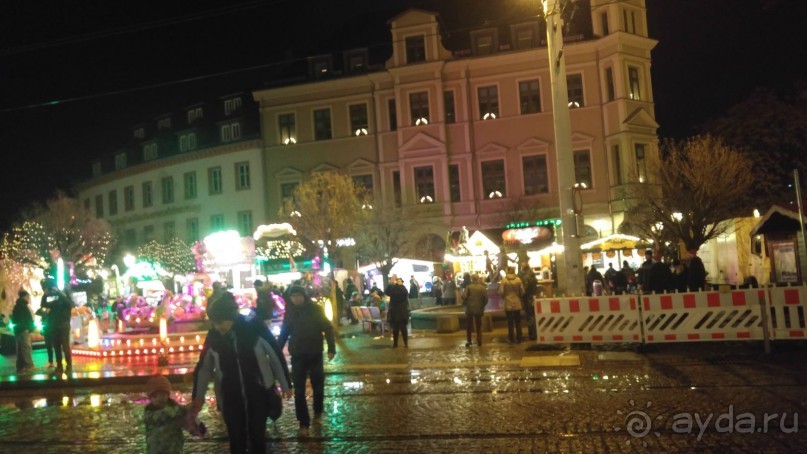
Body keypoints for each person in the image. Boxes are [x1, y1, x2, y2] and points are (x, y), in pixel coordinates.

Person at [189, 296, 291, 453]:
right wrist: (198, 396)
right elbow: (204, 368)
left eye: (221, 322)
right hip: (229, 396)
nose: (218, 326)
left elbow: (275, 355)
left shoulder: (254, 329)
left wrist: (285, 384)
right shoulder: (214, 337)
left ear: (232, 317)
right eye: (215, 322)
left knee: (257, 436)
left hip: (258, 392)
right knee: (235, 438)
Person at [278, 285, 336, 438]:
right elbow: (284, 332)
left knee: (318, 387)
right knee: (299, 391)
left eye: (298, 295)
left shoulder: (315, 309)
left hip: (315, 353)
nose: (296, 298)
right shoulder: (290, 313)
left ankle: (318, 412)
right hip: (298, 355)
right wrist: (276, 350)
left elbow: (327, 328)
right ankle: (303, 423)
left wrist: (331, 348)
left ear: (303, 295)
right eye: (293, 296)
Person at [144, 375, 199, 454]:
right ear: (150, 398)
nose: (160, 398)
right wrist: (183, 410)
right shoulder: (149, 412)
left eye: (163, 394)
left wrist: (193, 427)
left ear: (167, 395)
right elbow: (162, 416)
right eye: (155, 396)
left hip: (174, 448)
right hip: (157, 450)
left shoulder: (175, 409)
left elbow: (183, 421)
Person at [41, 284, 74, 375]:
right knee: (57, 347)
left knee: (65, 346)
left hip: (63, 327)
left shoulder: (67, 303)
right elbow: (43, 304)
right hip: (55, 326)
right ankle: (59, 366)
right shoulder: (56, 303)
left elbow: (67, 302)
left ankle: (68, 366)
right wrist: (45, 294)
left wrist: (59, 293)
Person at [499, 266, 524, 344]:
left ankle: (511, 338)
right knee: (518, 321)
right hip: (517, 302)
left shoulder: (504, 281)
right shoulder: (518, 280)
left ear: (507, 271)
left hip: (508, 302)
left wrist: (504, 297)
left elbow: (501, 292)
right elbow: (522, 291)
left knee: (510, 322)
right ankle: (519, 338)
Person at [11, 290, 35, 372]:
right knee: (26, 348)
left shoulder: (17, 306)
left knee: (21, 349)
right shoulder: (22, 306)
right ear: (24, 297)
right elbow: (26, 319)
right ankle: (29, 366)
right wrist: (28, 328)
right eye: (27, 297)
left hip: (18, 330)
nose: (28, 299)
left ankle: (20, 367)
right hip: (23, 330)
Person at [463, 274, 488, 347]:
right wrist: (482, 305)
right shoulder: (483, 288)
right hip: (479, 308)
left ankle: (469, 340)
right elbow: (486, 299)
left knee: (469, 325)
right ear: (478, 279)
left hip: (470, 308)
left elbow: (464, 296)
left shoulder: (468, 287)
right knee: (479, 325)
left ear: (472, 279)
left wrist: (466, 299)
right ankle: (479, 340)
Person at [385, 275, 410, 348]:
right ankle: (406, 344)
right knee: (403, 329)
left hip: (394, 313)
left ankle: (395, 344)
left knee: (395, 329)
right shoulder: (404, 289)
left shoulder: (393, 289)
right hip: (402, 313)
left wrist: (391, 283)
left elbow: (386, 292)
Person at [519, 264, 538, 341]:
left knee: (529, 316)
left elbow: (524, 290)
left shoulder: (526, 277)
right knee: (534, 315)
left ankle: (532, 334)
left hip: (528, 299)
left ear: (523, 268)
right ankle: (535, 333)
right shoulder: (533, 276)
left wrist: (521, 296)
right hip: (533, 297)